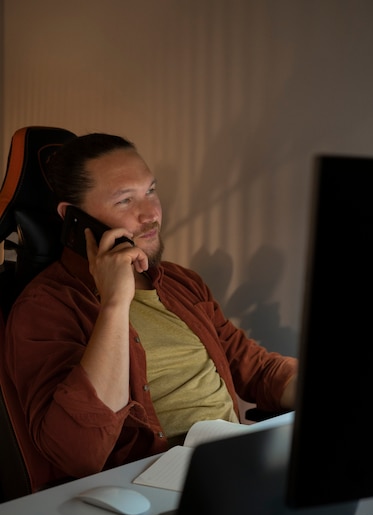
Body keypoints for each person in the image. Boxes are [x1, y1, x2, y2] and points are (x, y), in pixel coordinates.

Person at [4, 133, 298, 491]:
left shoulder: (180, 282)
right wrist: (114, 305)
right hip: (147, 491)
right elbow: (78, 452)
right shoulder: (46, 307)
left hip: (232, 466)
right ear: (73, 219)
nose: (151, 214)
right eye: (126, 199)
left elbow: (257, 368)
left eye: (151, 191)